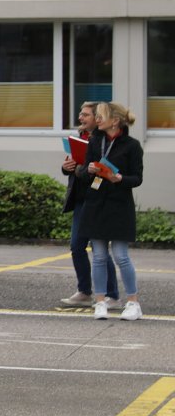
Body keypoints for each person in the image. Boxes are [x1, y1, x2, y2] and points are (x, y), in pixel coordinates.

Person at [81, 102, 143, 321]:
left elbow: (137, 178)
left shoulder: (132, 145)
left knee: (121, 256)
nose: (97, 120)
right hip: (95, 203)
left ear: (115, 121)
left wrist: (120, 179)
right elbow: (83, 172)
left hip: (119, 206)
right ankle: (100, 302)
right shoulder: (94, 141)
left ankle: (133, 303)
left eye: (101, 116)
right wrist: (88, 169)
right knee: (98, 256)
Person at [60, 101, 119, 308]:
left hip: (97, 200)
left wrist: (80, 170)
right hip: (80, 200)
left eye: (85, 115)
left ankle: (112, 295)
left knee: (99, 248)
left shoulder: (105, 141)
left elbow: (103, 173)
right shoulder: (81, 137)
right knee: (76, 246)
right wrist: (66, 167)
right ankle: (84, 291)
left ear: (97, 118)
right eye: (80, 113)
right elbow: (74, 166)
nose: (80, 118)